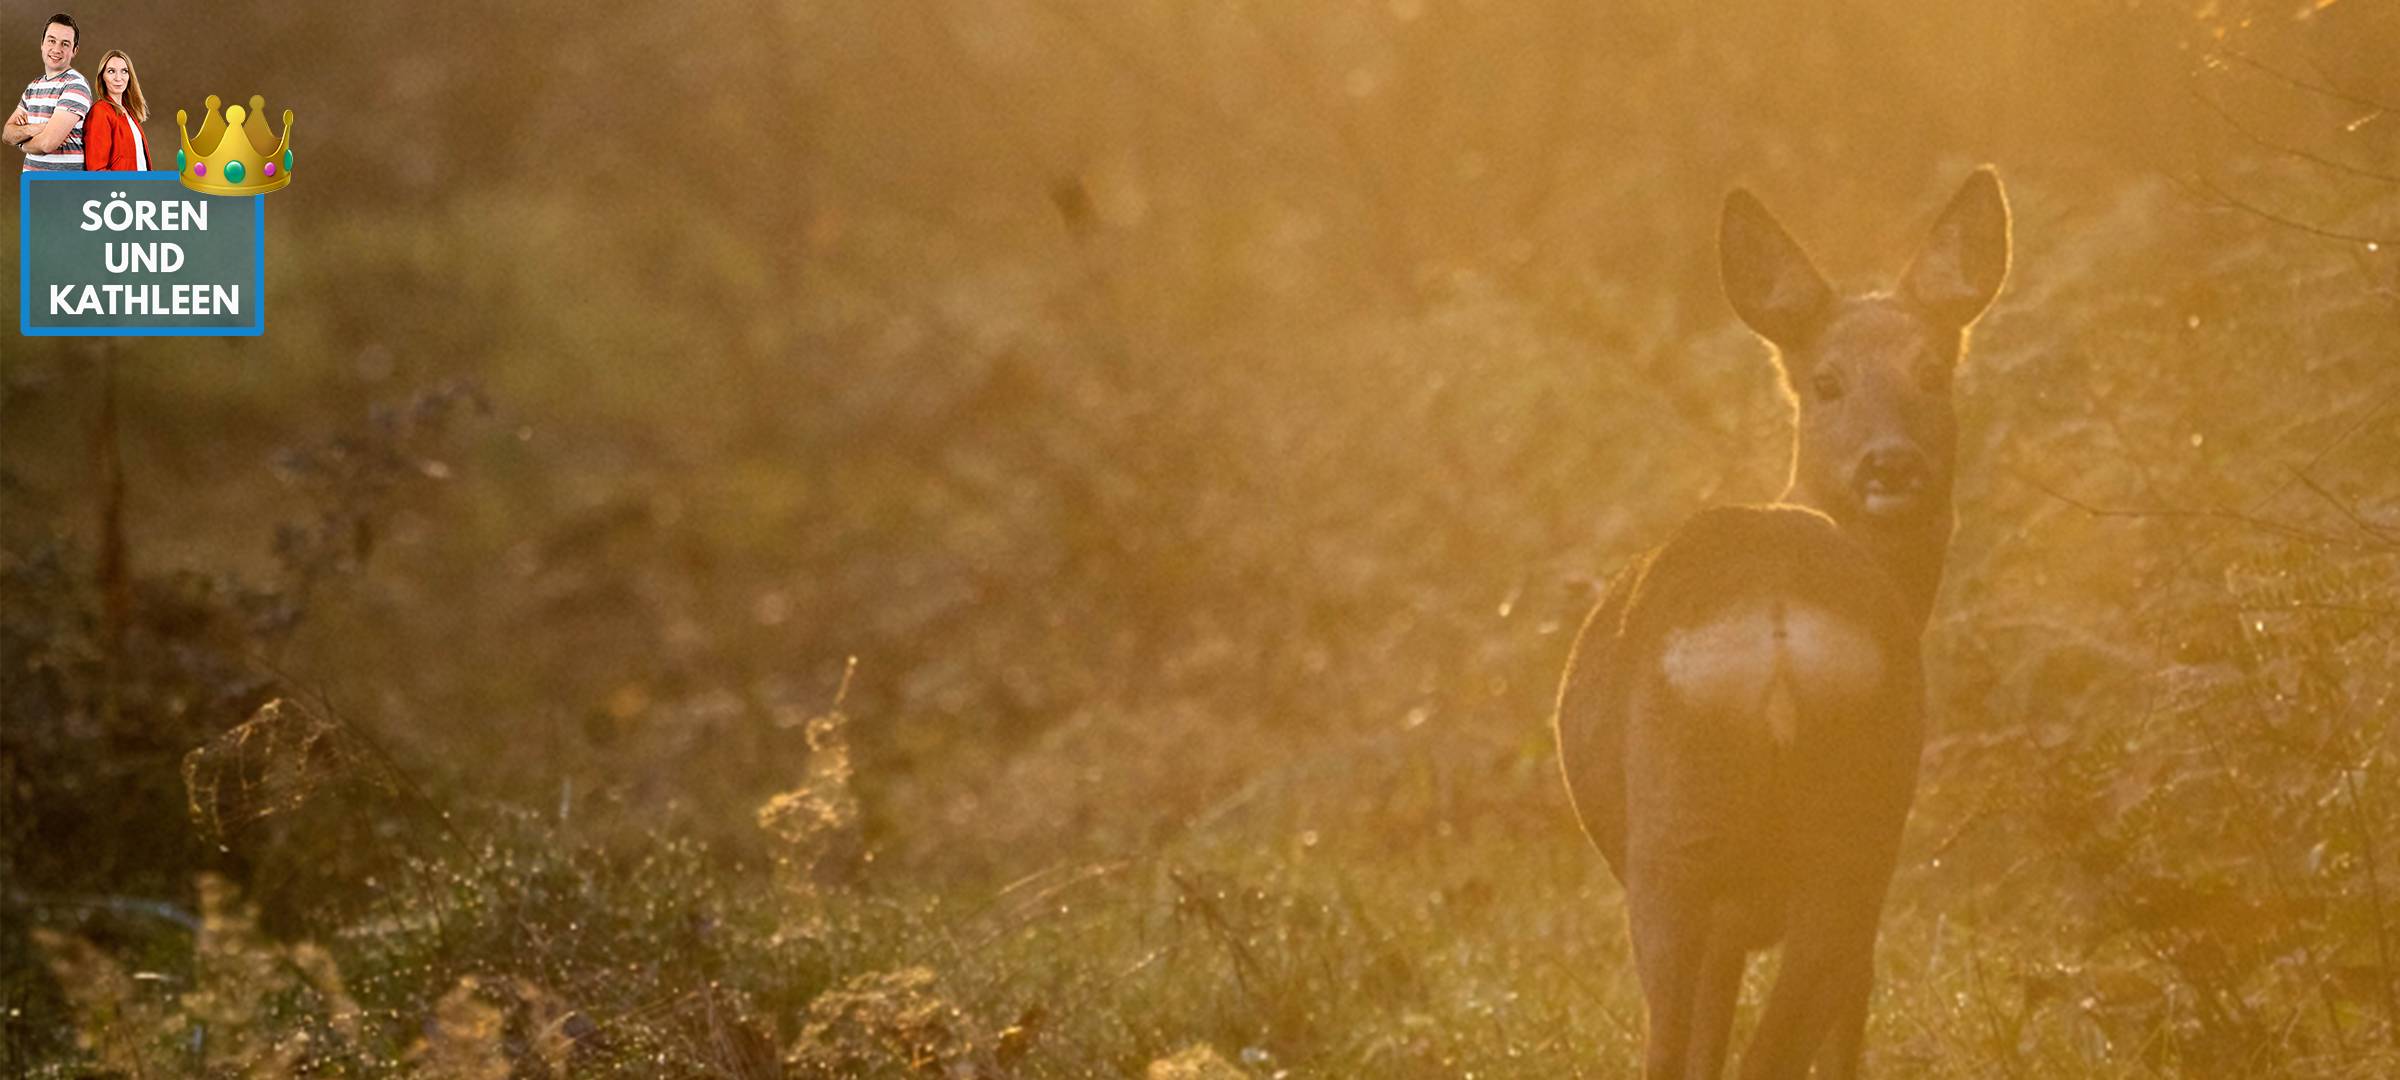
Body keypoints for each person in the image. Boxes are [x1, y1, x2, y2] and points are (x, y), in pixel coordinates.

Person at [3, 14, 89, 171]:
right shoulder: (33, 87)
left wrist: (21, 143)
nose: (56, 49)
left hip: (62, 189)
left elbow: (47, 143)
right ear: (42, 44)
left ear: (74, 51)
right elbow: (7, 134)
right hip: (34, 188)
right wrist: (36, 128)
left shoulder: (75, 85)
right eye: (51, 40)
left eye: (65, 44)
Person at [82, 48, 145, 170]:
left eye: (124, 71)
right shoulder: (100, 112)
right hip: (121, 188)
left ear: (129, 76)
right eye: (111, 71)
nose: (118, 78)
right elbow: (97, 170)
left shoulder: (128, 112)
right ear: (102, 77)